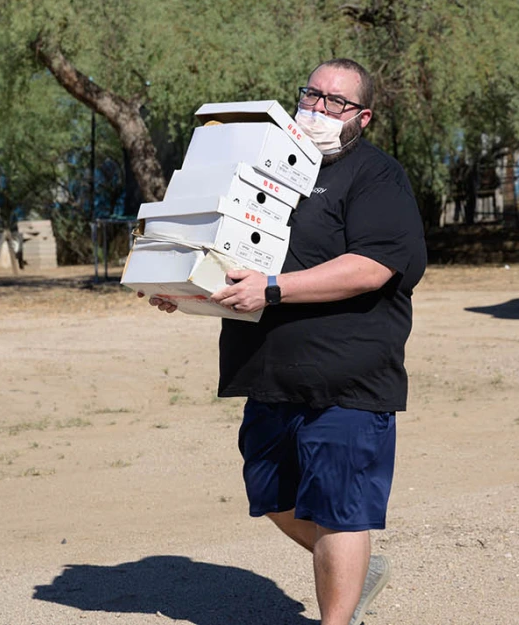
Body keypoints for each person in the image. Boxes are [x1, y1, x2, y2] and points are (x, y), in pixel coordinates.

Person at [142, 58, 426, 625]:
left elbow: (371, 267)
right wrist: (185, 285)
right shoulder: (266, 168)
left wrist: (274, 289)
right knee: (270, 492)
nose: (318, 109)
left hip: (349, 372)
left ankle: (337, 617)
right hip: (269, 369)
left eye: (335, 102)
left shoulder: (376, 176)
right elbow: (229, 244)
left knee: (341, 510)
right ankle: (358, 571)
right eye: (311, 95)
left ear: (362, 117)